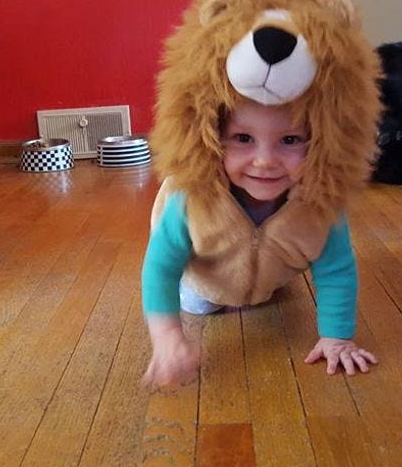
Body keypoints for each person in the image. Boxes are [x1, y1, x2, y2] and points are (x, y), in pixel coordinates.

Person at [140, 100, 378, 388]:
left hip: (272, 272)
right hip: (206, 279)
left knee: (273, 283)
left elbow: (336, 270)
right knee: (198, 305)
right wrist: (167, 337)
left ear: (319, 143)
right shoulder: (191, 198)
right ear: (213, 140)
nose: (265, 160)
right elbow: (161, 266)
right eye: (243, 138)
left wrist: (337, 338)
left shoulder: (321, 203)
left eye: (289, 140)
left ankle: (263, 282)